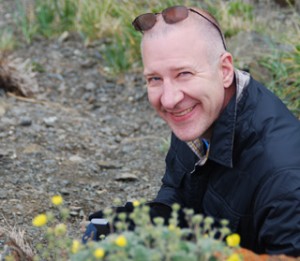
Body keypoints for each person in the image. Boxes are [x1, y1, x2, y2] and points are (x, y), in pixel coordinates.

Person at [83, 5, 300, 256]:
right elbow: (176, 192)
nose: (169, 99)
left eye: (184, 74)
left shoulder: (284, 177)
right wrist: (138, 225)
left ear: (225, 71)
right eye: (154, 78)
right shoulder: (202, 112)